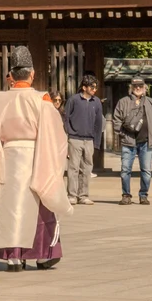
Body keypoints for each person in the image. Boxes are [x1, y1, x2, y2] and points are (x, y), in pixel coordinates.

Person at [0, 47, 73, 272]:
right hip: (36, 157)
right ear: (32, 74)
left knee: (12, 207)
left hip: (9, 157)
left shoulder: (0, 101)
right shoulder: (42, 100)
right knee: (40, 202)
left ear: (12, 75)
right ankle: (41, 256)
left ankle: (13, 257)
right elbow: (55, 135)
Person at [111, 77, 152, 205]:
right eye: (135, 86)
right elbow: (116, 120)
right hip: (129, 141)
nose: (138, 88)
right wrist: (122, 134)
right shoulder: (123, 102)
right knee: (125, 169)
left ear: (145, 87)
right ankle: (126, 195)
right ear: (131, 88)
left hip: (146, 141)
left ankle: (143, 195)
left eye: (140, 86)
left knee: (146, 170)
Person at [62, 75, 104, 206]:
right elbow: (66, 117)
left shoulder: (96, 102)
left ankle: (84, 195)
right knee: (73, 168)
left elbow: (98, 123)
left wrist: (97, 141)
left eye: (95, 87)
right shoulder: (73, 100)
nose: (94, 90)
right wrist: (69, 132)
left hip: (89, 139)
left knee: (87, 168)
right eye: (92, 87)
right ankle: (72, 195)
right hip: (75, 138)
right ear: (84, 87)